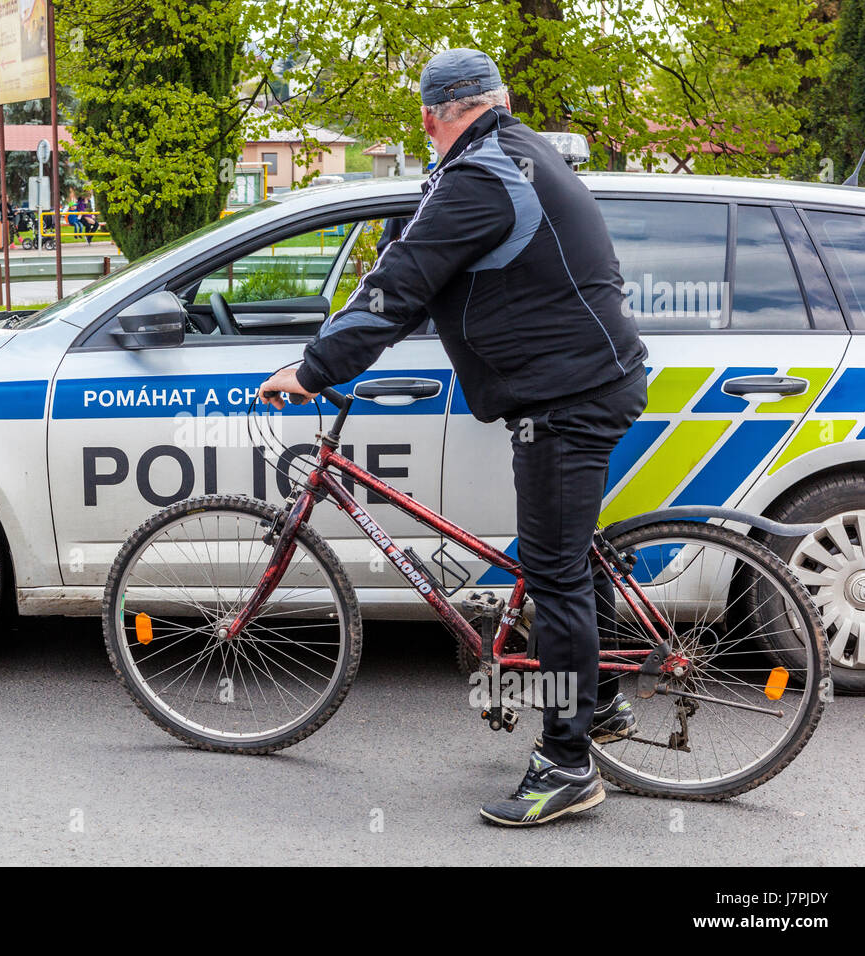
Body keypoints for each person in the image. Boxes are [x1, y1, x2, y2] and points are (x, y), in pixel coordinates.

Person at [259, 48, 648, 827]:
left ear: (435, 116)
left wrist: (314, 368)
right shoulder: (513, 153)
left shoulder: (481, 175)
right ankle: (600, 707)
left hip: (565, 397)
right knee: (570, 557)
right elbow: (422, 276)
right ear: (495, 100)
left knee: (554, 574)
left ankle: (569, 766)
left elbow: (401, 282)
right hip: (580, 381)